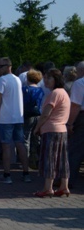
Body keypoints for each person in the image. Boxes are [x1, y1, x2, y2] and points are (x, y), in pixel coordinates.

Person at [33, 69, 71, 197]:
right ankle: (64, 186)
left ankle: (48, 188)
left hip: (51, 129)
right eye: (45, 78)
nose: (46, 80)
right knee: (62, 160)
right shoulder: (64, 93)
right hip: (62, 130)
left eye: (49, 78)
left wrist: (37, 128)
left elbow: (45, 114)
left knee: (50, 159)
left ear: (56, 79)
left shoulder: (54, 93)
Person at [0, 57, 31, 184]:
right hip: (18, 117)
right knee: (20, 144)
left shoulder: (2, 79)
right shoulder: (17, 79)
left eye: (0, 66)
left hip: (6, 117)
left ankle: (7, 174)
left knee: (6, 146)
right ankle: (26, 173)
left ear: (7, 66)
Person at [67, 61, 84, 189]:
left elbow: (76, 105)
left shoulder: (79, 83)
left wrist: (70, 123)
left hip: (82, 117)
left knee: (75, 150)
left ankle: (69, 180)